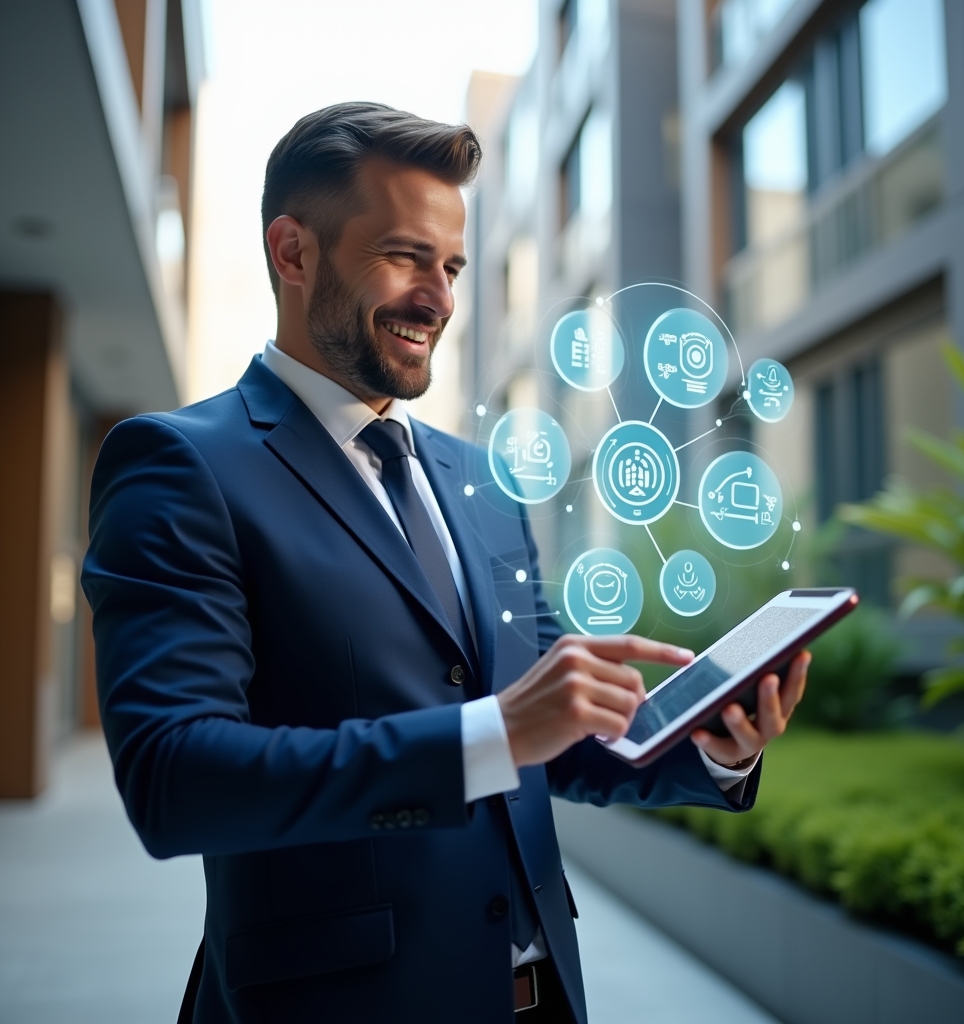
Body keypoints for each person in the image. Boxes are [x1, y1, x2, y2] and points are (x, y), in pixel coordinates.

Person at [82, 102, 810, 1024]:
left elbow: (553, 732)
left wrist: (708, 746)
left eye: (453, 266)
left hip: (540, 999)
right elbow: (176, 778)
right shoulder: (182, 466)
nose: (440, 298)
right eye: (403, 257)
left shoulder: (480, 480)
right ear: (293, 253)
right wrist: (490, 735)